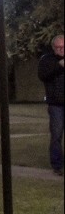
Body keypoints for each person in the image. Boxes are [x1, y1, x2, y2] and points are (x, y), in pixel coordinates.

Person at [37, 34, 64, 176]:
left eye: (63, 47)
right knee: (56, 135)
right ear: (53, 48)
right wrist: (59, 66)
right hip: (56, 104)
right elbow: (43, 75)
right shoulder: (47, 60)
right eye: (58, 47)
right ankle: (57, 165)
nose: (61, 49)